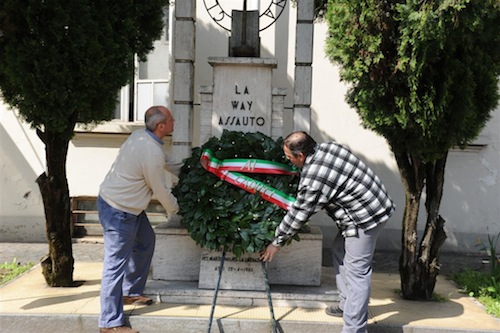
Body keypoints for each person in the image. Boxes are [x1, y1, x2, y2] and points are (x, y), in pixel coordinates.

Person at [260, 131, 395, 333]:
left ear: (301, 156)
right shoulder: (329, 147)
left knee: (358, 272)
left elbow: (299, 214)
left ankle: (354, 329)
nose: (288, 160)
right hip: (370, 204)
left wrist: (276, 243)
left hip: (365, 218)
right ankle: (346, 305)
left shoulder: (314, 178)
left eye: (289, 157)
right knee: (340, 250)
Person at [97, 106, 181, 333]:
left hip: (129, 207)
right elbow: (160, 190)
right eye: (171, 119)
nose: (174, 121)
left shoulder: (143, 138)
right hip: (119, 210)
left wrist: (196, 170)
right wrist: (178, 209)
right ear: (161, 126)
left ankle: (130, 292)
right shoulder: (150, 151)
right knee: (115, 265)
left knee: (146, 242)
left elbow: (170, 163)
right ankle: (110, 323)